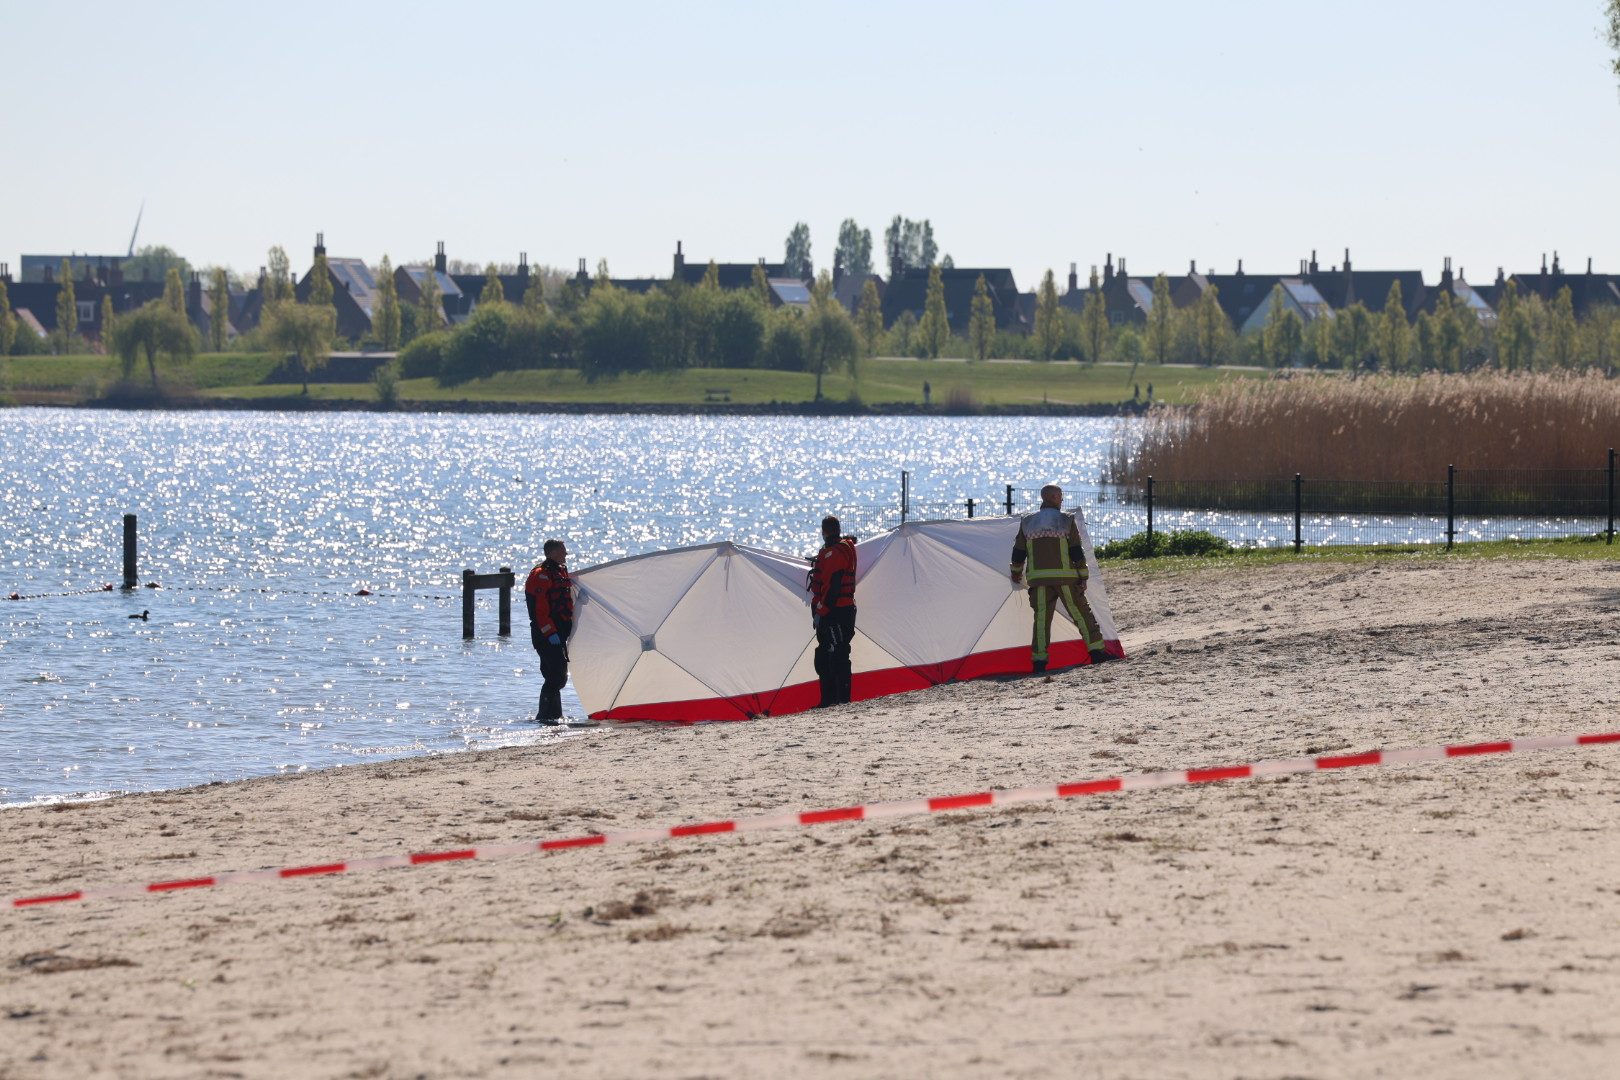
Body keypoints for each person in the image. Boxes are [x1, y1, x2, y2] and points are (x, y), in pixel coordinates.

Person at [1010, 485, 1108, 672]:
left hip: (1038, 580)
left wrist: (1016, 571)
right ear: (1054, 497)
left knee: (1041, 621)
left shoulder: (1027, 521)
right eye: (1060, 496)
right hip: (1065, 578)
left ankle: (1039, 662)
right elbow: (1076, 551)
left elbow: (1019, 551)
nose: (1062, 500)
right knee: (1080, 614)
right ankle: (1097, 652)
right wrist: (1083, 575)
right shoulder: (1066, 520)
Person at [807, 515, 857, 707]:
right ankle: (830, 700)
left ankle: (840, 700)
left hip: (836, 613)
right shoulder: (843, 548)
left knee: (837, 655)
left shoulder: (834, 554)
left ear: (824, 532)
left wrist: (821, 613)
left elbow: (833, 587)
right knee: (827, 654)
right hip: (842, 611)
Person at [524, 538, 574, 724]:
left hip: (559, 633)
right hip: (545, 634)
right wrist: (549, 632)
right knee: (556, 676)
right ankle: (544, 716)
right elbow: (539, 611)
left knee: (557, 676)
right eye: (562, 550)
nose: (566, 553)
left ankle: (555, 716)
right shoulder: (540, 575)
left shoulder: (560, 571)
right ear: (552, 552)